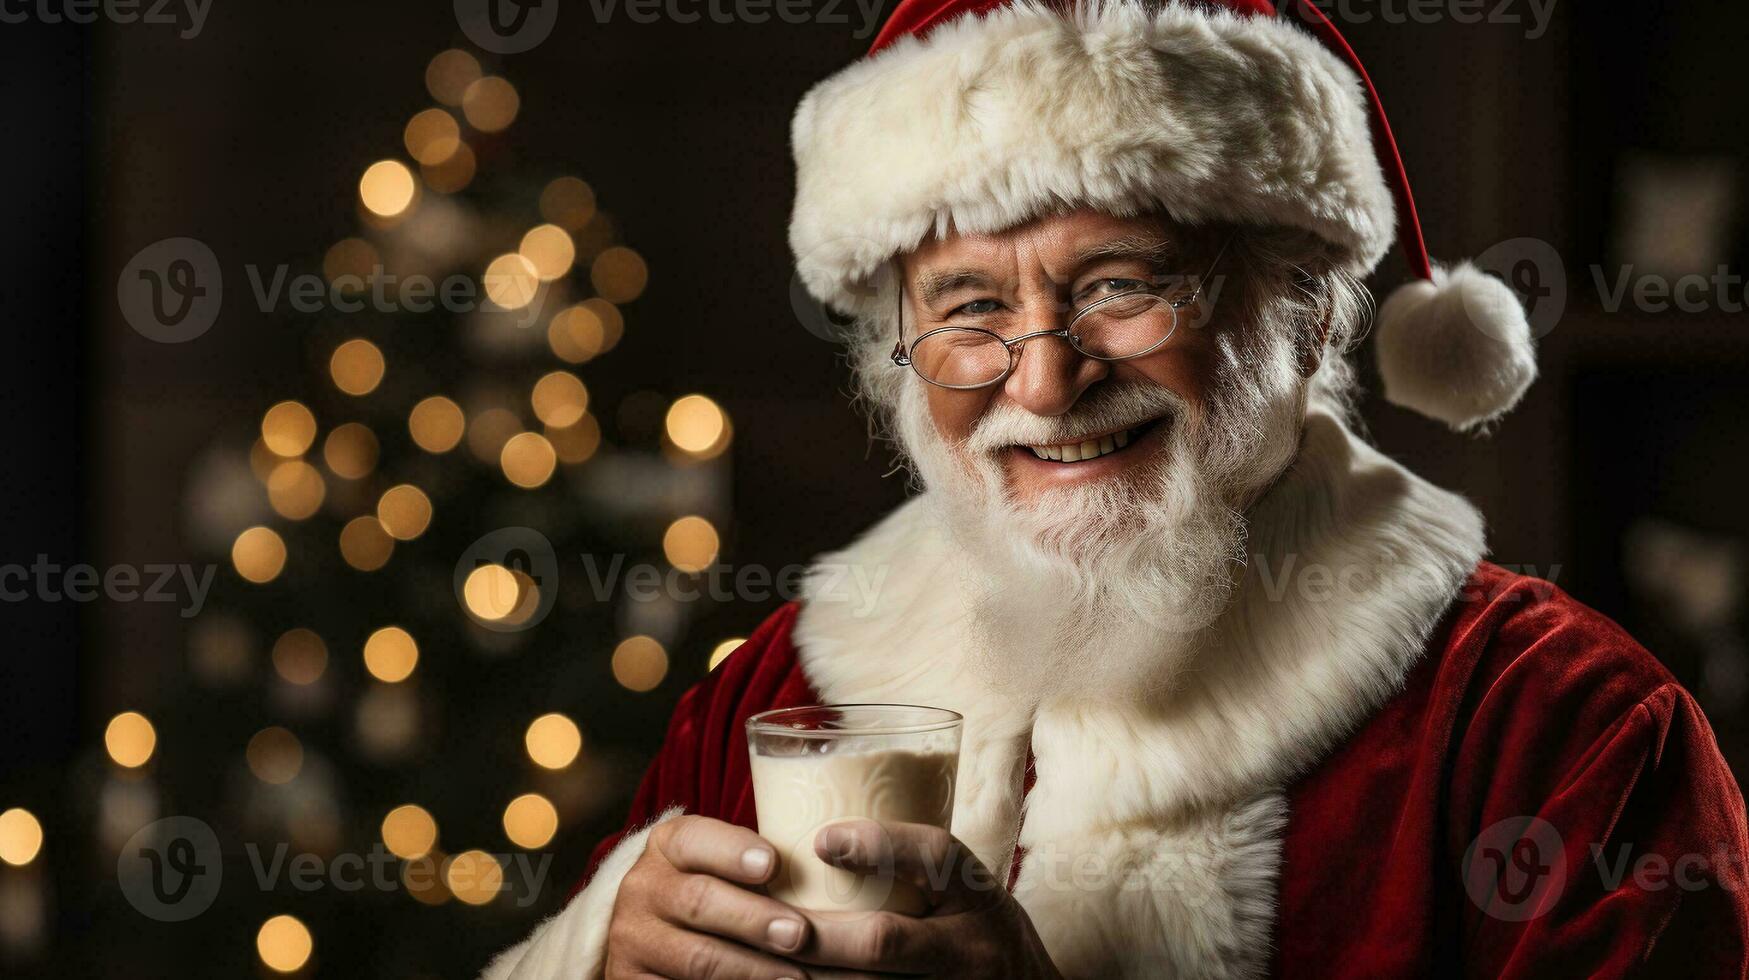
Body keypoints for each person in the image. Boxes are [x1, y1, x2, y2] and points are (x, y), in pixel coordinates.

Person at [485, 0, 1749, 976]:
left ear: (1305, 311)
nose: (1042, 381)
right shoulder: (773, 698)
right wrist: (601, 947)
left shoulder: (1567, 733)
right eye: (970, 308)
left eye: (1121, 285)